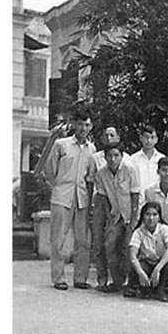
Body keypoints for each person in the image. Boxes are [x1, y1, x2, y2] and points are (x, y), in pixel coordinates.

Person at [42, 104, 96, 291]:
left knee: (83, 240)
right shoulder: (61, 145)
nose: (83, 128)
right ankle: (58, 278)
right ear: (74, 124)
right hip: (62, 197)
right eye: (80, 124)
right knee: (58, 239)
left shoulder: (92, 149)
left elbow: (90, 176)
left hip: (82, 198)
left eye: (87, 125)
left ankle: (80, 278)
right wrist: (58, 187)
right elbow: (50, 170)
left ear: (91, 126)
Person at [92, 141, 141, 293]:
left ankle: (129, 282)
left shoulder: (130, 169)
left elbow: (135, 195)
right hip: (116, 215)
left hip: (132, 214)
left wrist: (133, 222)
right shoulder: (101, 173)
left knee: (128, 246)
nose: (113, 159)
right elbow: (103, 197)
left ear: (121, 156)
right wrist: (110, 219)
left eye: (116, 155)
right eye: (109, 156)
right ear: (105, 157)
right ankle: (116, 281)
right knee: (109, 245)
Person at [89, 126, 125, 282]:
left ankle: (120, 279)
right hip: (101, 200)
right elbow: (92, 182)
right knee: (99, 241)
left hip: (121, 203)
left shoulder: (127, 160)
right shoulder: (95, 158)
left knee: (119, 242)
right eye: (106, 135)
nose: (109, 138)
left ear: (118, 137)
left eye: (112, 135)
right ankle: (102, 278)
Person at [126, 202, 168, 302]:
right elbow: (132, 255)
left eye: (154, 214)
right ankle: (144, 288)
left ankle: (161, 290)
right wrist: (140, 273)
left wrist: (158, 268)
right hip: (147, 263)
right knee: (137, 265)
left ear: (159, 217)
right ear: (143, 216)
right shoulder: (138, 232)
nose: (151, 218)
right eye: (147, 214)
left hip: (162, 263)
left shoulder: (165, 229)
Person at [129, 125, 165, 190]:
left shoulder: (162, 158)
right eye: (146, 137)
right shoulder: (133, 159)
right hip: (139, 195)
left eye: (152, 137)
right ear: (141, 138)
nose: (149, 141)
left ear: (156, 139)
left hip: (157, 195)